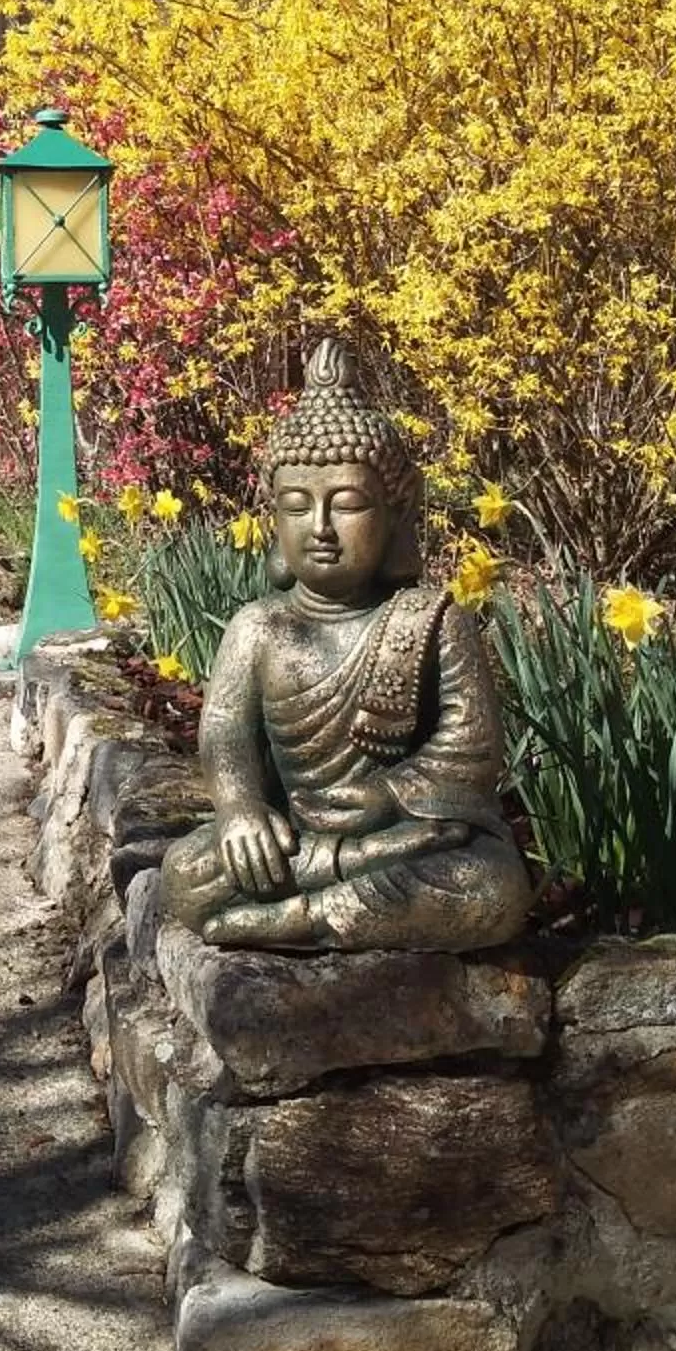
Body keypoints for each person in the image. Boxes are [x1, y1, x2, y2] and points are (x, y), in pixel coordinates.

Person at [157, 342, 533, 953]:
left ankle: (308, 916)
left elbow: (473, 744)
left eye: (349, 504)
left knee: (491, 887)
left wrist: (388, 794)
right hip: (307, 838)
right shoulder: (259, 628)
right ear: (273, 514)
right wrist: (241, 811)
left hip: (404, 827)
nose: (322, 529)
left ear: (398, 507)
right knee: (185, 876)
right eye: (298, 506)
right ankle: (333, 883)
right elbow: (224, 732)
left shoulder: (432, 620)